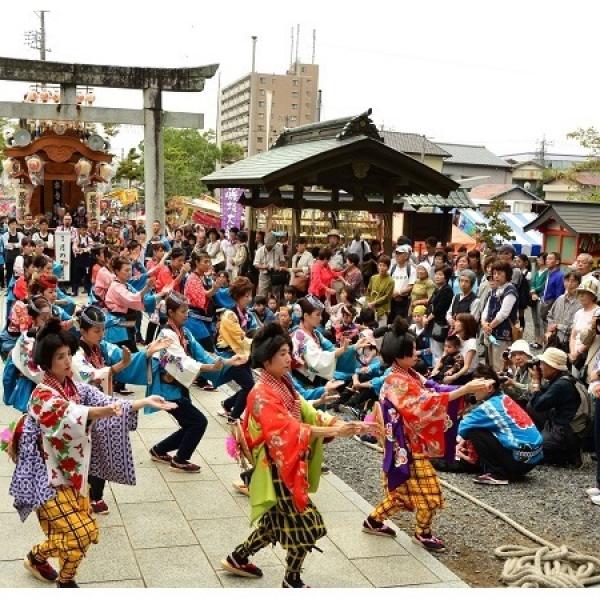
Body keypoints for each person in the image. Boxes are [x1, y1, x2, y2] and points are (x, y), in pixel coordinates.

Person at [7, 318, 175, 588]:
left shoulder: (74, 386)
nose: (66, 361)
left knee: (77, 537)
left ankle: (46, 564)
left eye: (68, 355)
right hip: (45, 477)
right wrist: (110, 411)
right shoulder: (42, 395)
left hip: (72, 472)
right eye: (60, 357)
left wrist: (142, 401)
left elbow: (103, 400)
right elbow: (75, 415)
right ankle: (57, 574)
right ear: (47, 362)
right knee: (83, 533)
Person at [221, 323, 374, 588]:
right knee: (307, 525)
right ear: (266, 359)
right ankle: (291, 579)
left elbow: (306, 411)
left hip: (286, 462)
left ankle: (239, 557)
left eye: (288, 352)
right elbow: (286, 429)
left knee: (275, 523)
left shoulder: (282, 383)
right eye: (282, 353)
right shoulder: (260, 393)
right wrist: (332, 430)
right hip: (276, 467)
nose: (288, 358)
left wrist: (338, 424)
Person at [361, 318, 492, 551]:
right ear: (399, 355)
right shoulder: (396, 380)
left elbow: (433, 388)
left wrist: (468, 387)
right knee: (431, 492)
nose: (416, 354)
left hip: (406, 444)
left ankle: (373, 521)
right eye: (412, 351)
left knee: (400, 493)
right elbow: (425, 402)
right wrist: (463, 390)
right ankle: (423, 533)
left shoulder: (407, 373)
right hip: (406, 446)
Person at [72, 306, 172, 512]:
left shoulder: (101, 347)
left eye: (102, 330)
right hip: (83, 409)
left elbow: (121, 356)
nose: (102, 334)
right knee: (87, 453)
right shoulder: (76, 353)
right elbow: (86, 375)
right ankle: (85, 494)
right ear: (83, 331)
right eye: (97, 331)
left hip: (101, 405)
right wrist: (117, 367)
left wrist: (146, 353)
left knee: (100, 451)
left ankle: (94, 495)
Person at [148, 292, 246, 471]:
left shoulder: (184, 332)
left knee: (190, 424)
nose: (187, 314)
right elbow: (182, 363)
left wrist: (227, 362)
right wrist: (210, 368)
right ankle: (180, 459)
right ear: (170, 312)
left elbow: (202, 354)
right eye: (183, 311)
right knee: (198, 422)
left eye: (187, 310)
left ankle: (159, 449)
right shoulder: (166, 336)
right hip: (167, 389)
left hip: (178, 386)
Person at [458, 365, 543, 485]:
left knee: (474, 431)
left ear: (489, 387)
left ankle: (497, 474)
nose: (472, 390)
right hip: (533, 458)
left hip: (519, 461)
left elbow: (462, 428)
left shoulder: (487, 407)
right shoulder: (504, 398)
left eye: (475, 386)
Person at [528, 347, 582, 467]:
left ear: (554, 367)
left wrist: (536, 381)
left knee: (533, 452)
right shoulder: (564, 378)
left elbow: (538, 405)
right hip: (566, 425)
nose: (540, 367)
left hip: (568, 431)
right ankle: (548, 438)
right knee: (530, 406)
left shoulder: (561, 385)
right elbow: (540, 399)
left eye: (543, 364)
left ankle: (567, 455)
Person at [215, 277, 258, 421]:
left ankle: (227, 405)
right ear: (238, 296)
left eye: (250, 295)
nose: (249, 298)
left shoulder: (244, 313)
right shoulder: (229, 315)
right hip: (231, 355)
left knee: (249, 386)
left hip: (241, 354)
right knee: (249, 387)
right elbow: (239, 338)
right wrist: (257, 345)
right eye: (247, 295)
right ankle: (233, 417)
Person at [481, 261, 518, 372]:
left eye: (500, 273)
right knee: (491, 363)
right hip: (491, 332)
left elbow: (503, 313)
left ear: (507, 274)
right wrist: (484, 323)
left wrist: (489, 326)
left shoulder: (510, 290)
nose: (496, 276)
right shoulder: (495, 290)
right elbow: (486, 310)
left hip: (503, 333)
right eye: (494, 273)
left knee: (500, 364)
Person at [569, 277, 599, 377]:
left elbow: (592, 337)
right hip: (575, 355)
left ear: (593, 295)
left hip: (589, 355)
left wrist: (577, 352)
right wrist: (572, 351)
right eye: (580, 293)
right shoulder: (578, 313)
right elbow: (573, 335)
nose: (581, 295)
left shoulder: (597, 312)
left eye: (585, 292)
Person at [545, 270, 582, 353]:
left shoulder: (580, 303)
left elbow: (577, 327)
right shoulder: (560, 299)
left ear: (579, 283)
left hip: (569, 343)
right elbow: (550, 315)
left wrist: (558, 326)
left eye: (573, 281)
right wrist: (550, 330)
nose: (569, 284)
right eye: (567, 281)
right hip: (553, 340)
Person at [424, 266, 454, 365]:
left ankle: (438, 372)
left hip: (439, 324)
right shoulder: (437, 289)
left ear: (446, 277)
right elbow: (430, 304)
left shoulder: (447, 290)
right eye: (436, 274)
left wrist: (427, 319)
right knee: (433, 350)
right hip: (432, 323)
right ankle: (434, 370)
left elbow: (440, 309)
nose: (437, 276)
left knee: (438, 351)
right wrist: (425, 317)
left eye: (440, 275)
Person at [502, 339, 534, 408]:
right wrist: (504, 387)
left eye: (521, 354)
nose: (517, 358)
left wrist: (514, 383)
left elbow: (531, 391)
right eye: (514, 355)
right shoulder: (519, 368)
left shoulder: (533, 368)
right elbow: (517, 393)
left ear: (528, 355)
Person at [254, 232, 286, 297]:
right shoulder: (259, 251)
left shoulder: (279, 249)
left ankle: (275, 306)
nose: (269, 247)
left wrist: (280, 267)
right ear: (265, 243)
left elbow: (282, 261)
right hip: (264, 275)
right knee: (262, 294)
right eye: (268, 245)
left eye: (271, 246)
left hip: (276, 274)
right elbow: (255, 264)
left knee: (276, 294)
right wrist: (264, 267)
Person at [389, 245, 416, 321]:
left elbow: (411, 286)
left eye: (400, 253)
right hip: (391, 300)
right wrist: (393, 293)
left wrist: (399, 293)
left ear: (406, 256)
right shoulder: (392, 268)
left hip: (404, 301)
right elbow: (388, 282)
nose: (397, 255)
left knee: (401, 322)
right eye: (396, 253)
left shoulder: (411, 269)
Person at [366, 255, 394, 327]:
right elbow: (368, 291)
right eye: (380, 265)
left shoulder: (391, 281)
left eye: (384, 266)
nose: (381, 268)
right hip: (371, 310)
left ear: (388, 267)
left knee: (380, 332)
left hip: (383, 311)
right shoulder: (373, 278)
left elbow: (387, 297)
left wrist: (374, 303)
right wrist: (368, 302)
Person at [529, 253, 548, 349]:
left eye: (540, 258)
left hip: (540, 298)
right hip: (533, 297)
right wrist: (532, 291)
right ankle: (536, 340)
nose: (538, 260)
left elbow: (544, 285)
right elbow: (532, 282)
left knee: (541, 321)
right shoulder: (537, 271)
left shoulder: (547, 272)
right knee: (535, 320)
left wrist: (535, 291)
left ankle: (542, 342)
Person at [541, 252, 565, 325]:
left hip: (551, 304)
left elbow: (559, 295)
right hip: (545, 302)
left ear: (557, 262)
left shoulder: (560, 276)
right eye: (547, 259)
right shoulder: (549, 273)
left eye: (550, 259)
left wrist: (555, 309)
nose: (547, 261)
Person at [2, 218, 24, 284]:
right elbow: (6, 245)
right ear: (9, 225)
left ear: (17, 225)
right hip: (9, 257)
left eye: (15, 224)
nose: (13, 226)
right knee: (9, 274)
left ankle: (17, 288)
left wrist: (13, 245)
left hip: (18, 256)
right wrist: (15, 245)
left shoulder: (20, 234)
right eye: (12, 224)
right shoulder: (5, 235)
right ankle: (9, 290)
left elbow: (21, 244)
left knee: (18, 273)